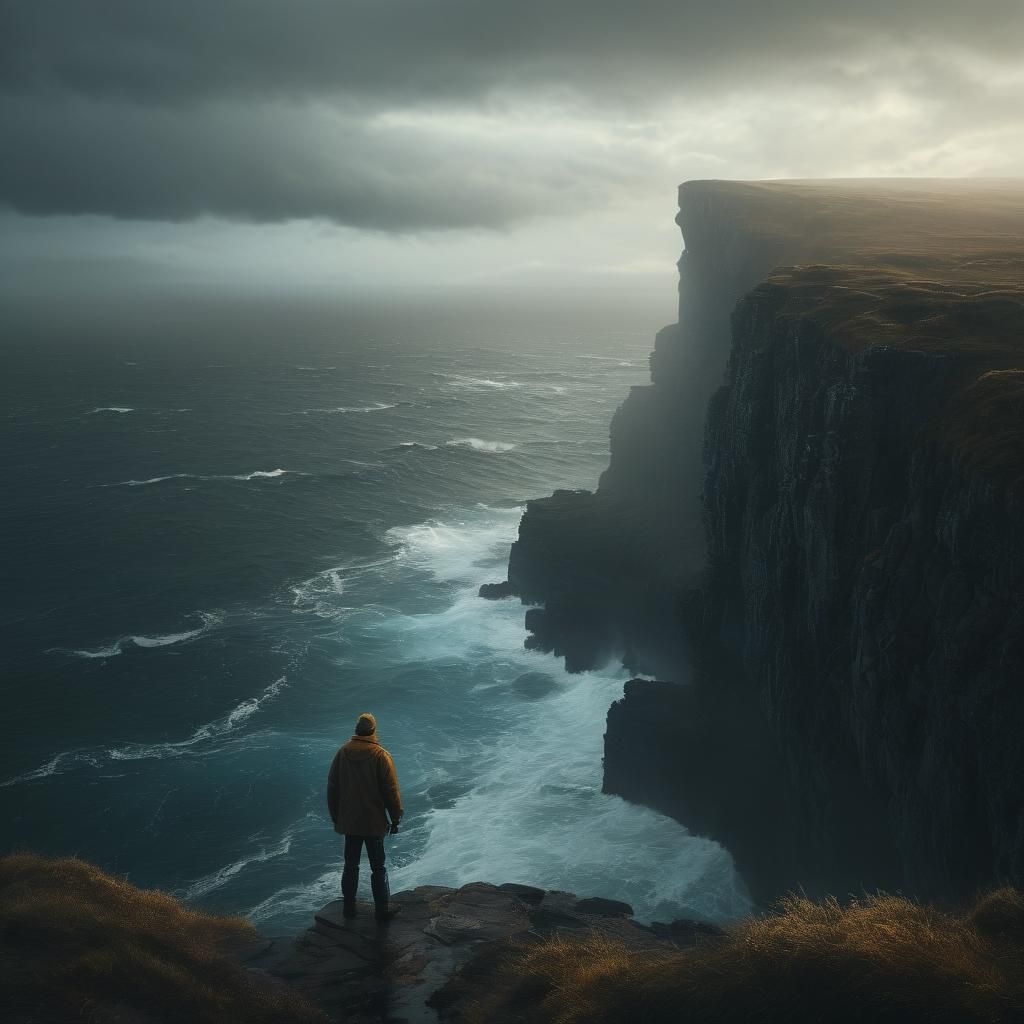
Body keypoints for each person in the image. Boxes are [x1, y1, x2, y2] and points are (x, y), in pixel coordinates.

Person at [326, 712, 404, 922]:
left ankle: (349, 909)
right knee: (378, 867)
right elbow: (391, 791)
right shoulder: (380, 755)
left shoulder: (343, 753)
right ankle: (382, 910)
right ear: (373, 730)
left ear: (356, 730)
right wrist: (395, 818)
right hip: (373, 822)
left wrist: (336, 817)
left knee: (350, 865)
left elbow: (332, 787)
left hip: (350, 822)